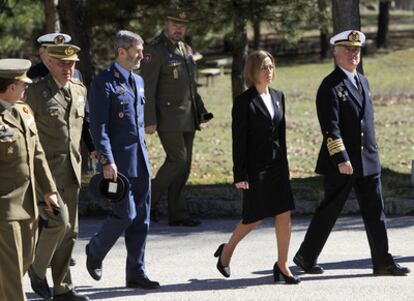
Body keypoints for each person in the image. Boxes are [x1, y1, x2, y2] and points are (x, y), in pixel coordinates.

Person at [293, 30, 410, 276]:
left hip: (367, 160)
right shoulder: (330, 86)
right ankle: (305, 256)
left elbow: (367, 122)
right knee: (330, 210)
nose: (353, 53)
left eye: (356, 49)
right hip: (344, 163)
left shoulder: (363, 81)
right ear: (335, 52)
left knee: (375, 212)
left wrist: (373, 154)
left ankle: (382, 261)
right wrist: (341, 158)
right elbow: (330, 129)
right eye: (347, 49)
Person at [214, 50, 300, 284]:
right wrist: (239, 172)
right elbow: (238, 139)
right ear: (252, 71)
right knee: (254, 216)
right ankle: (227, 251)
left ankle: (283, 264)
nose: (268, 71)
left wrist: (285, 167)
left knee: (284, 213)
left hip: (277, 166)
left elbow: (280, 135)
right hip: (255, 167)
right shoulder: (244, 102)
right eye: (263, 67)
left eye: (271, 66)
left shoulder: (279, 96)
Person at [85, 30, 160, 290]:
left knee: (141, 218)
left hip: (140, 161)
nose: (141, 55)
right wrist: (106, 161)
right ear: (122, 52)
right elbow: (99, 126)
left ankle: (136, 272)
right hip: (117, 165)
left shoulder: (138, 82)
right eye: (137, 51)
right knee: (125, 214)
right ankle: (95, 250)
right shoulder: (103, 82)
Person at [25, 44, 90, 301]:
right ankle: (37, 269)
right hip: (45, 173)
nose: (68, 68)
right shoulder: (36, 93)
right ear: (50, 63)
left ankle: (63, 288)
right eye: (62, 64)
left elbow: (82, 129)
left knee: (70, 232)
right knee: (58, 222)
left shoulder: (79, 90)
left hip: (72, 171)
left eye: (72, 63)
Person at [140, 9, 212, 226]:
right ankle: (144, 205)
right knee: (177, 159)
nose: (179, 28)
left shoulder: (185, 48)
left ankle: (178, 213)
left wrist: (199, 111)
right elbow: (148, 88)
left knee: (185, 164)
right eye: (174, 23)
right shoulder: (154, 50)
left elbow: (191, 85)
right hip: (167, 117)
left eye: (182, 25)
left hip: (188, 116)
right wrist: (149, 119)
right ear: (166, 23)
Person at [0, 58, 58, 301]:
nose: (27, 89)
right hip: (5, 210)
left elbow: (37, 154)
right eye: (23, 85)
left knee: (24, 262)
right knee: (12, 274)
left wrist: (49, 190)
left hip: (29, 205)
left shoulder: (23, 111)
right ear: (11, 87)